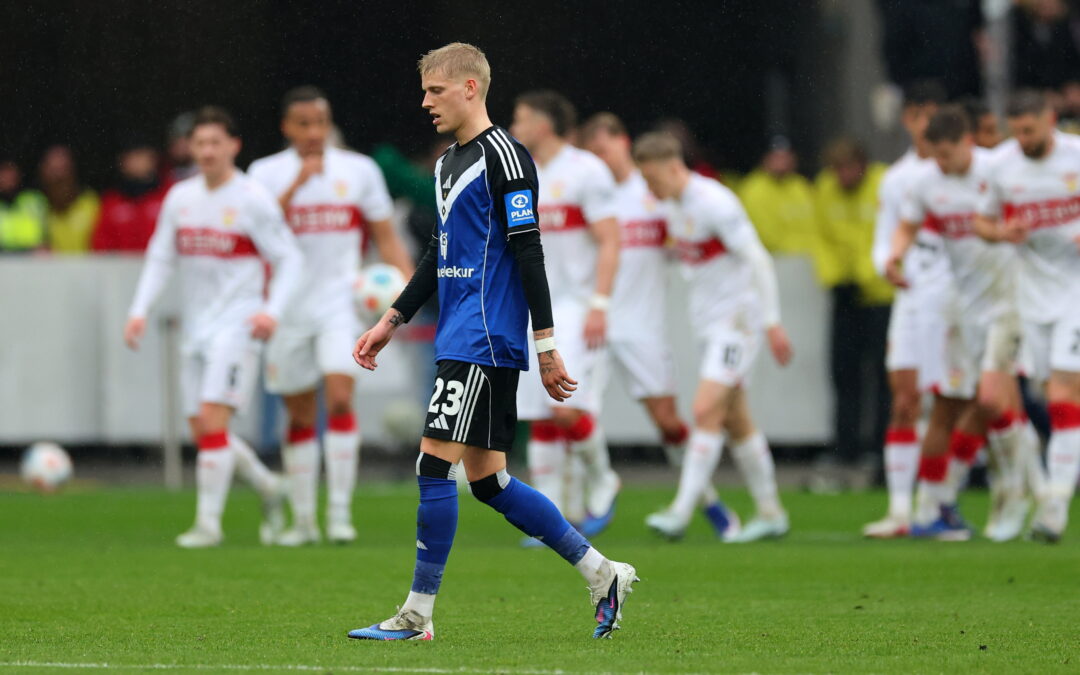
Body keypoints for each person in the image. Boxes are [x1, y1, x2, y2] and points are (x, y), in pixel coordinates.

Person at [346, 42, 637, 641]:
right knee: (489, 483)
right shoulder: (447, 163)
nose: (425, 102)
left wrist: (547, 344)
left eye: (436, 91)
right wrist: (392, 319)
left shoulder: (506, 157)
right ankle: (602, 571)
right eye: (424, 90)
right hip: (457, 333)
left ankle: (417, 614)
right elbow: (439, 253)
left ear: (471, 88)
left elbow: (530, 251)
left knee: (432, 468)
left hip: (485, 335)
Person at [124, 107, 304, 548]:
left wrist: (271, 311)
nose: (205, 151)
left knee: (213, 423)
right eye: (199, 143)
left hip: (239, 325)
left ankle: (208, 524)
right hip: (196, 328)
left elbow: (290, 259)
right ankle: (268, 486)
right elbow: (161, 257)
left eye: (214, 143)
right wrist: (139, 309)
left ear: (233, 146)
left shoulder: (252, 198)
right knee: (202, 432)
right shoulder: (180, 197)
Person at [249, 86, 415, 545]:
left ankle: (340, 514)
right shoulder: (264, 173)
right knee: (299, 414)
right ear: (287, 127)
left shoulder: (359, 170)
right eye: (303, 124)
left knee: (340, 398)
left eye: (319, 123)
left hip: (342, 303)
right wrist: (297, 185)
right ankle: (304, 520)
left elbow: (385, 235)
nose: (312, 133)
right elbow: (257, 232)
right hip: (287, 307)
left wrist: (407, 287)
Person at [885, 106, 1043, 541]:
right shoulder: (923, 182)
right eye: (933, 156)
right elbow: (907, 226)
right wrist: (894, 255)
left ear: (967, 142)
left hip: (1008, 302)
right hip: (960, 307)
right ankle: (934, 506)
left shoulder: (997, 172)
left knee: (992, 400)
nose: (940, 164)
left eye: (946, 155)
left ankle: (1014, 489)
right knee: (952, 404)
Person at [581, 112, 738, 538]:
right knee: (575, 412)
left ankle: (706, 500)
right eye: (591, 153)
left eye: (604, 149)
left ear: (622, 142)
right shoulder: (587, 195)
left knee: (669, 423)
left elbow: (687, 236)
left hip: (642, 326)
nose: (600, 159)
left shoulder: (654, 194)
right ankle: (595, 493)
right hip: (592, 321)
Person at [634, 131, 793, 543]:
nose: (651, 189)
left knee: (705, 409)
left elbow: (757, 259)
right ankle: (771, 512)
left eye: (653, 180)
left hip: (738, 322)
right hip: (708, 324)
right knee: (737, 420)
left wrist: (772, 322)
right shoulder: (674, 205)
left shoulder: (716, 203)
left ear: (674, 166)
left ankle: (681, 511)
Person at [509, 91, 622, 535]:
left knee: (565, 407)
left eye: (520, 119)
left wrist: (599, 303)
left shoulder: (585, 170)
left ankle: (604, 477)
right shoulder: (518, 172)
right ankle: (550, 520)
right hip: (532, 308)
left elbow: (611, 240)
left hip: (574, 307)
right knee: (540, 413)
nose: (514, 128)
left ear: (544, 124)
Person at [974, 89, 1080, 543]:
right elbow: (982, 221)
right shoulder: (1001, 165)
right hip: (1030, 296)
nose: (1022, 139)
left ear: (1050, 119)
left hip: (1075, 291)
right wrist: (1002, 232)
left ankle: (1054, 503)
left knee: (1061, 395)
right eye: (1016, 131)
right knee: (1045, 393)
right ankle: (1047, 492)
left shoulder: (1076, 155)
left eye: (1030, 130)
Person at [863, 81, 950, 538]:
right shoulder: (896, 179)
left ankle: (939, 502)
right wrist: (887, 265)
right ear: (908, 119)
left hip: (955, 300)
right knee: (905, 401)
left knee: (952, 404)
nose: (927, 124)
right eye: (921, 115)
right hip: (913, 300)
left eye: (936, 115)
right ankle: (901, 510)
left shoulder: (962, 173)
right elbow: (883, 241)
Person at [814, 139, 892, 474]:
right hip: (844, 294)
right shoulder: (825, 188)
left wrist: (863, 274)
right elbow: (820, 238)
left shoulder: (884, 183)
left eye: (849, 168)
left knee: (884, 375)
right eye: (838, 170)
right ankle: (845, 446)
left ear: (863, 164)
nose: (843, 176)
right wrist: (835, 277)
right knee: (843, 372)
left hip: (881, 295)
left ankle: (880, 445)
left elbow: (881, 234)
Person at [738, 136, 818, 256]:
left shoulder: (800, 185)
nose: (782, 162)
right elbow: (765, 236)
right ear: (765, 159)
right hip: (775, 260)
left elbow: (817, 224)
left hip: (809, 259)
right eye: (776, 157)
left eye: (786, 156)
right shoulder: (753, 190)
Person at [92, 140, 170, 252]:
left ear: (153, 159)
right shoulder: (111, 201)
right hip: (120, 268)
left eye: (140, 156)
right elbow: (101, 245)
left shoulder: (168, 195)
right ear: (122, 162)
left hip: (160, 267)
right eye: (130, 157)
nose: (135, 162)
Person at [39, 145, 99, 253]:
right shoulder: (38, 208)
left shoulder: (91, 205)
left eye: (63, 169)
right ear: (43, 172)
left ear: (73, 171)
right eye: (53, 170)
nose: (58, 177)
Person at [0, 157, 46, 252]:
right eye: (3, 172)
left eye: (10, 171)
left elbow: (50, 233)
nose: (7, 177)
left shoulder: (35, 200)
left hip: (33, 259)